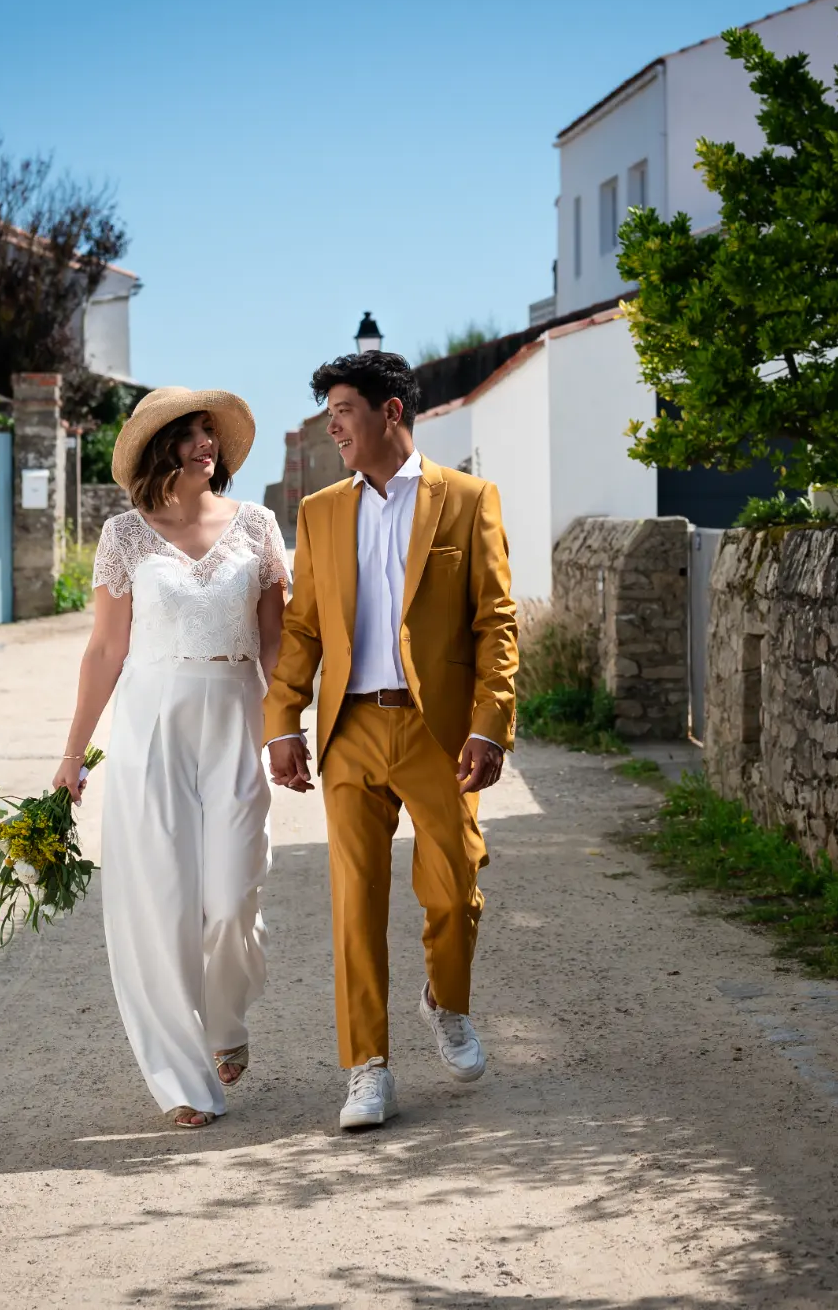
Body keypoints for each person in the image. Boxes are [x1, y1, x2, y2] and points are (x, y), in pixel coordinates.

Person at [265, 350, 519, 1130]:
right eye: (329, 412)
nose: (333, 425)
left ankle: (444, 999)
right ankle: (365, 1067)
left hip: (434, 729)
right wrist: (282, 721)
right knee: (354, 903)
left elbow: (496, 623)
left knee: (453, 885)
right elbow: (303, 628)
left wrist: (488, 721)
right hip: (348, 732)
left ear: (390, 413)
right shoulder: (319, 512)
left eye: (343, 409)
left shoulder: (467, 500)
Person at [50, 387, 288, 1129]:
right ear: (161, 447)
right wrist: (71, 755)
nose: (204, 443)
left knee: (233, 893)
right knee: (159, 901)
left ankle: (225, 1017)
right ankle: (183, 1076)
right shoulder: (124, 534)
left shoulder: (256, 526)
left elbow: (277, 642)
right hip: (150, 723)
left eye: (209, 431)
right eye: (188, 432)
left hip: (235, 713)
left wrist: (288, 727)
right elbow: (105, 650)